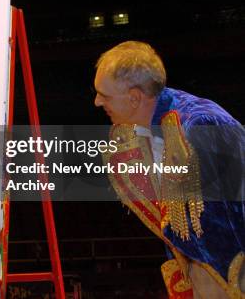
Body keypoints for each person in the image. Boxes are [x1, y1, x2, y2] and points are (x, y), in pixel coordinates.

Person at [93, 41, 244, 298]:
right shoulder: (134, 128)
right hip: (199, 266)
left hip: (229, 269)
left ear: (134, 98)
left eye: (104, 95)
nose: (97, 102)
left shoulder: (200, 125)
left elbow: (228, 221)